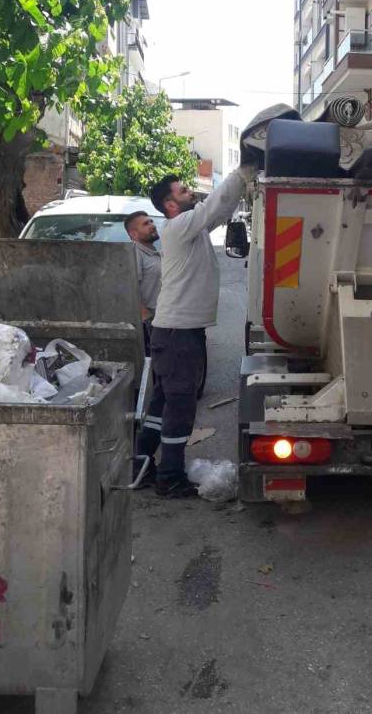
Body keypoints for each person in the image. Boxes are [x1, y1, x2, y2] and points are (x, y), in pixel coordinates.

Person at [134, 165, 256, 497]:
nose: (191, 193)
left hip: (175, 332)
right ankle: (170, 477)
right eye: (184, 191)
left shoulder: (192, 230)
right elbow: (213, 204)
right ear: (170, 205)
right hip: (177, 334)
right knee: (180, 406)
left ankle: (140, 463)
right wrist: (243, 172)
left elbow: (221, 210)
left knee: (163, 402)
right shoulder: (177, 226)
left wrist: (243, 190)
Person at [124, 211, 161, 354]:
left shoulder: (153, 252)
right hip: (150, 325)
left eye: (151, 221)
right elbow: (130, 288)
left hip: (164, 319)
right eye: (146, 224)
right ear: (133, 234)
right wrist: (147, 320)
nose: (152, 225)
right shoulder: (135, 252)